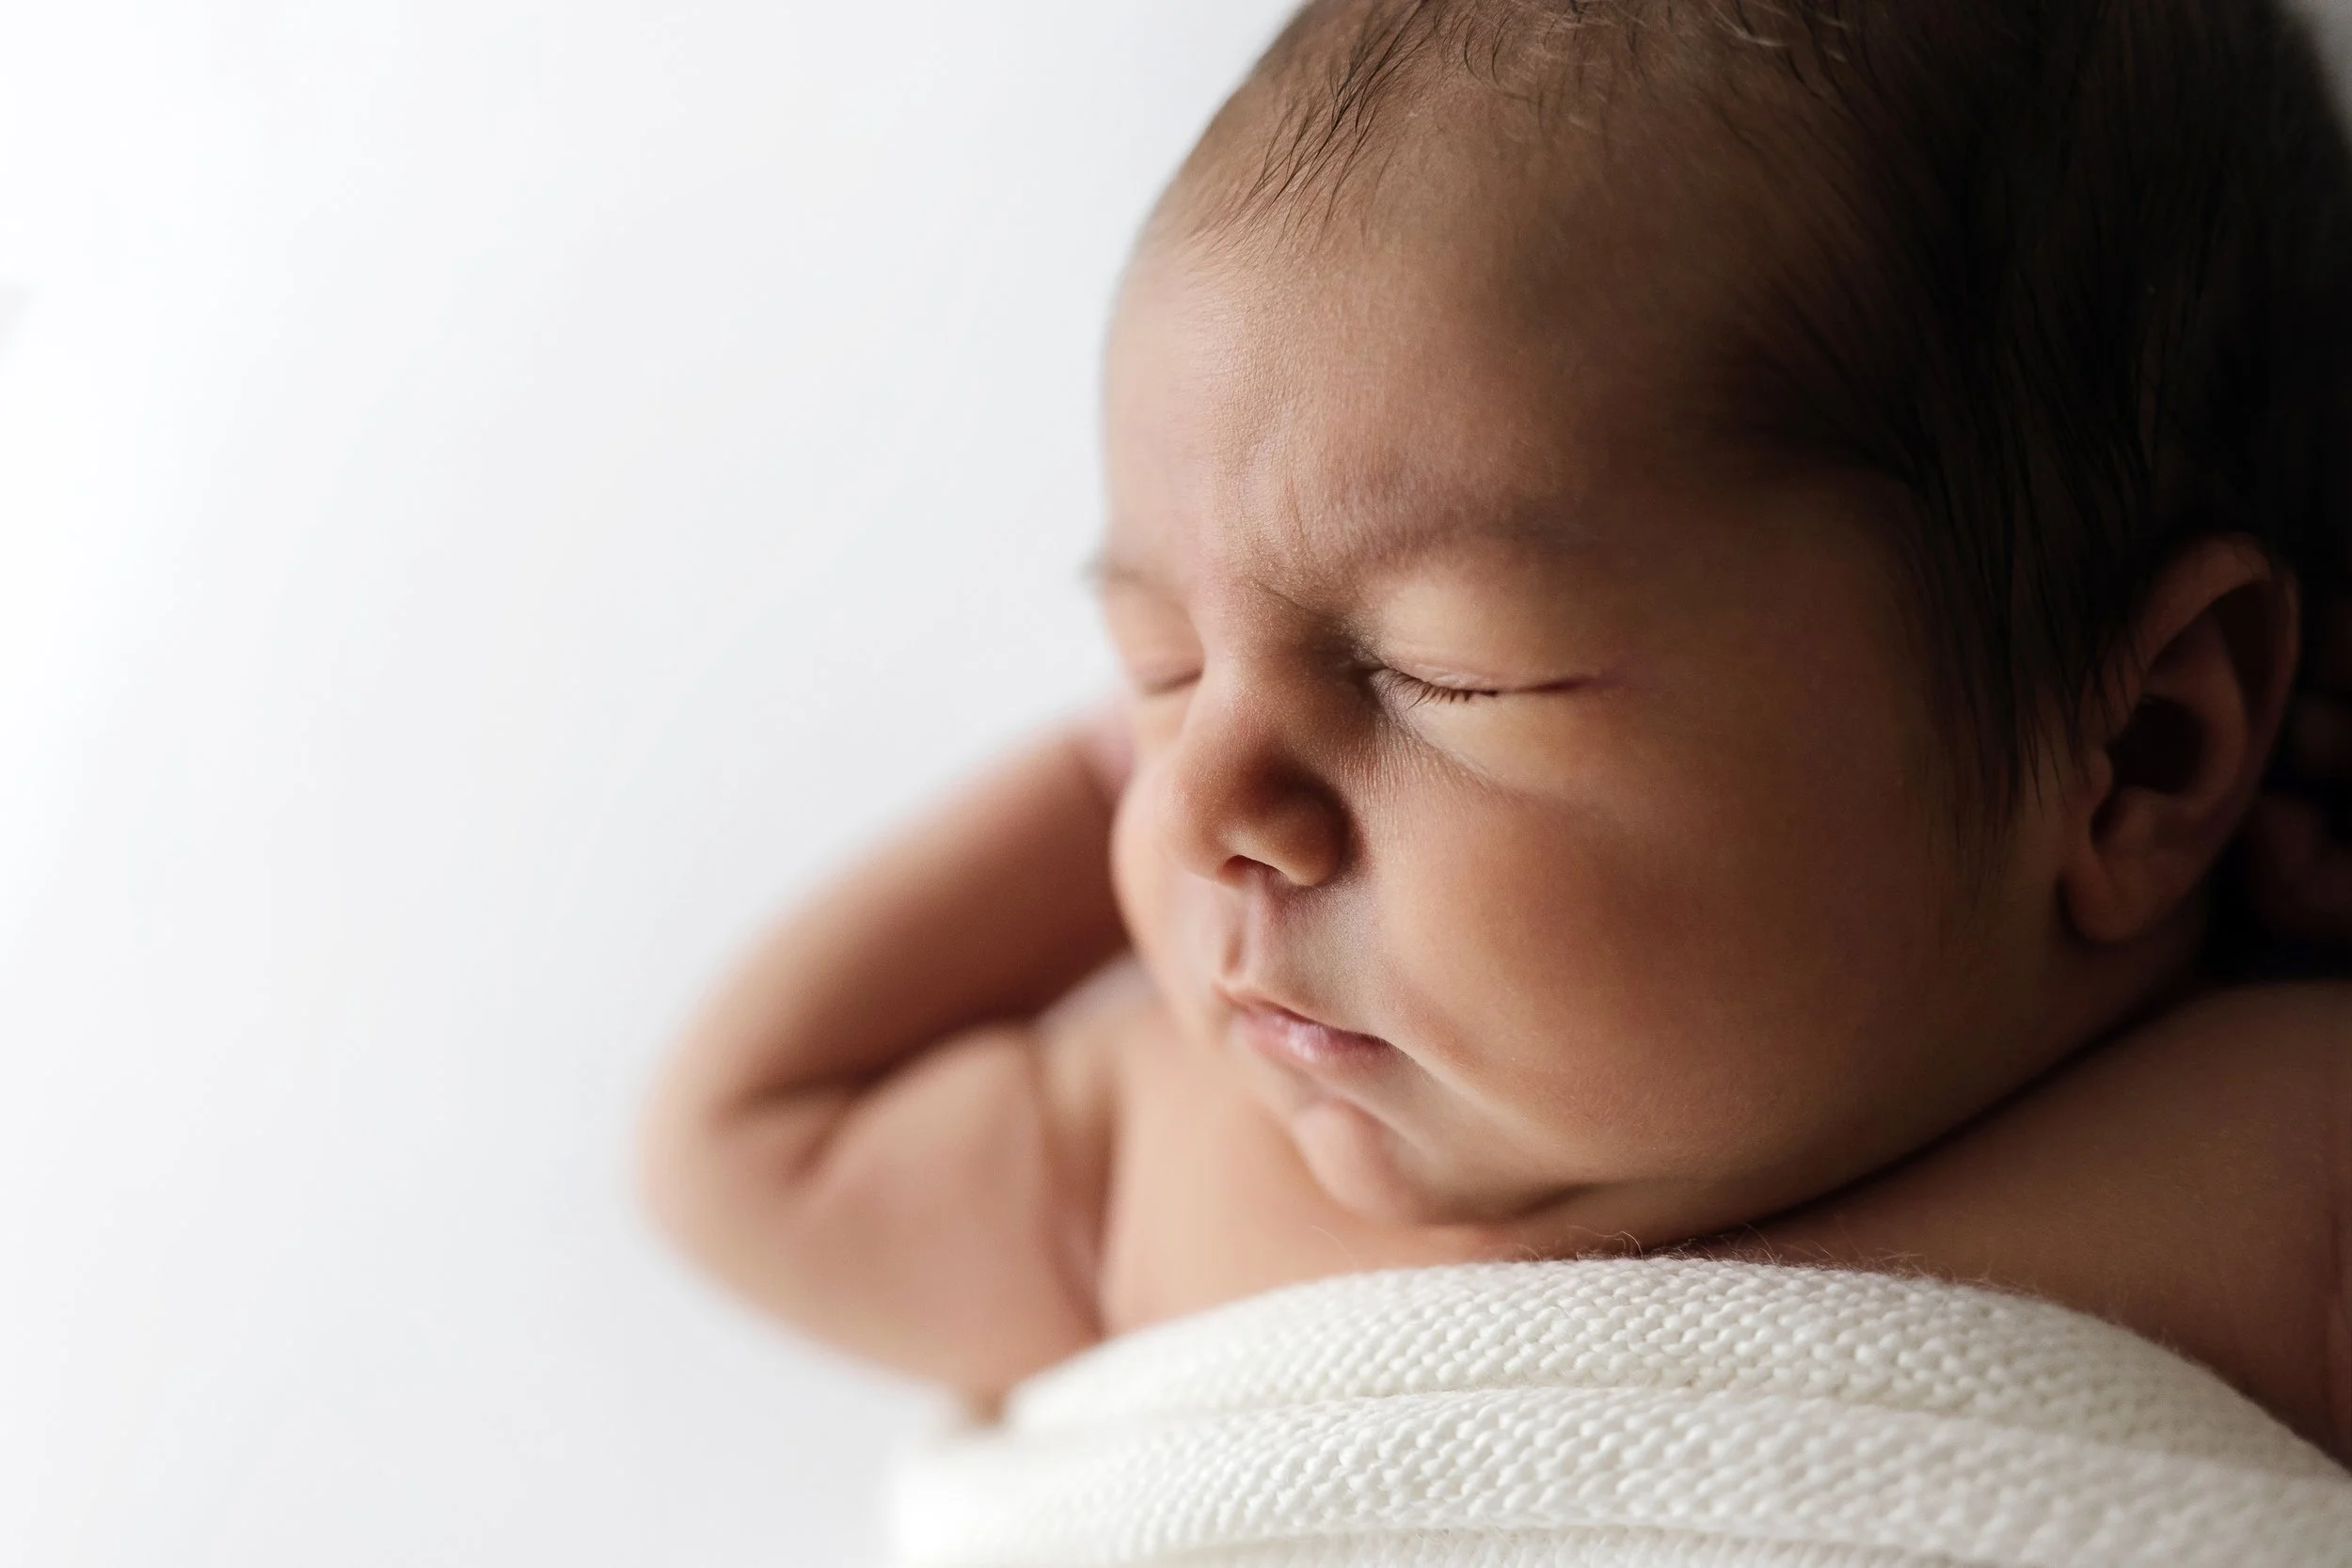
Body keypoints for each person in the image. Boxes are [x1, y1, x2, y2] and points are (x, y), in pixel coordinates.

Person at [640, 0, 2352, 1463]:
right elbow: (749, 1143)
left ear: (2148, 756)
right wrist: (1103, 773)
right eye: (1157, 662)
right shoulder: (1163, 1162)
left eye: (1443, 674)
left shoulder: (2266, 1162)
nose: (1206, 803)